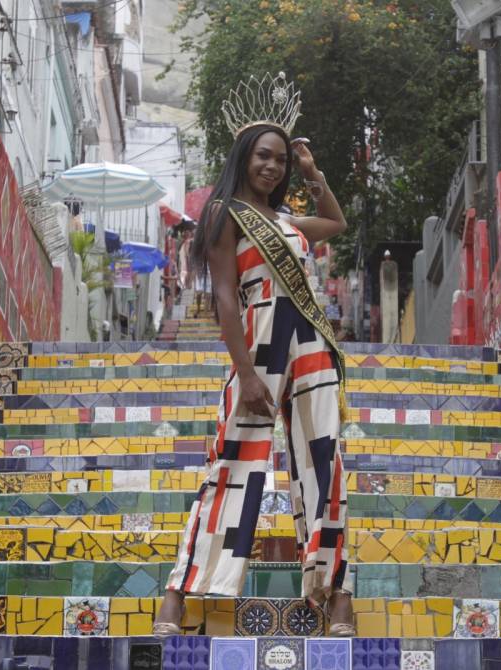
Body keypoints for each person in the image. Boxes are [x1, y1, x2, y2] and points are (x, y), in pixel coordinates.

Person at [152, 73, 354, 637]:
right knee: (232, 465)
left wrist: (314, 176)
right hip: (258, 341)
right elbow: (222, 298)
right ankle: (181, 593)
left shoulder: (288, 222)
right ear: (244, 157)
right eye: (264, 156)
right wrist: (246, 374)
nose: (273, 167)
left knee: (324, 465)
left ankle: (336, 594)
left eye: (282, 161)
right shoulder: (223, 214)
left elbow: (335, 222)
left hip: (311, 344)